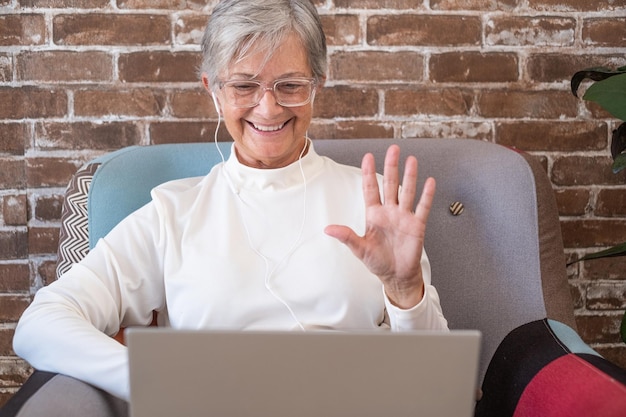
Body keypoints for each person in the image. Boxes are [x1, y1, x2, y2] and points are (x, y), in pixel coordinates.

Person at [12, 0, 448, 406]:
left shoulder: (376, 205)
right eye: (244, 85)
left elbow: (438, 387)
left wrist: (405, 291)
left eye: (290, 85)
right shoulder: (174, 215)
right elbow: (41, 323)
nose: (269, 107)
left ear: (317, 84)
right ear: (213, 90)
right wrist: (156, 379)